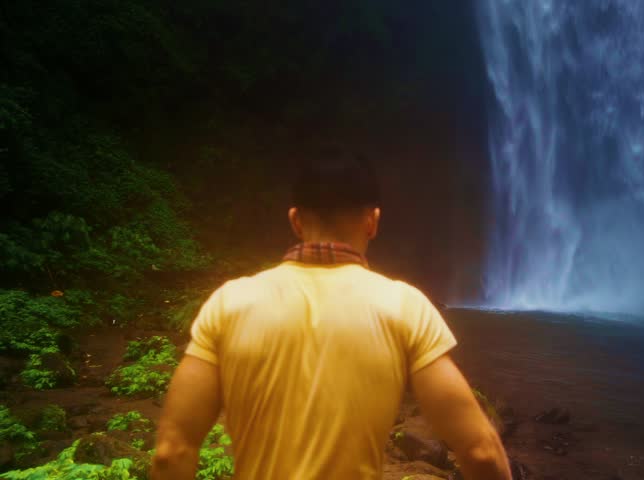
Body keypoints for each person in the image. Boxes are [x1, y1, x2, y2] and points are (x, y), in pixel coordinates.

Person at [151, 152, 511, 479]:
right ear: (372, 222)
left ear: (295, 221)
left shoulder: (229, 303)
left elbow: (172, 451)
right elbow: (481, 451)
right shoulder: (403, 307)